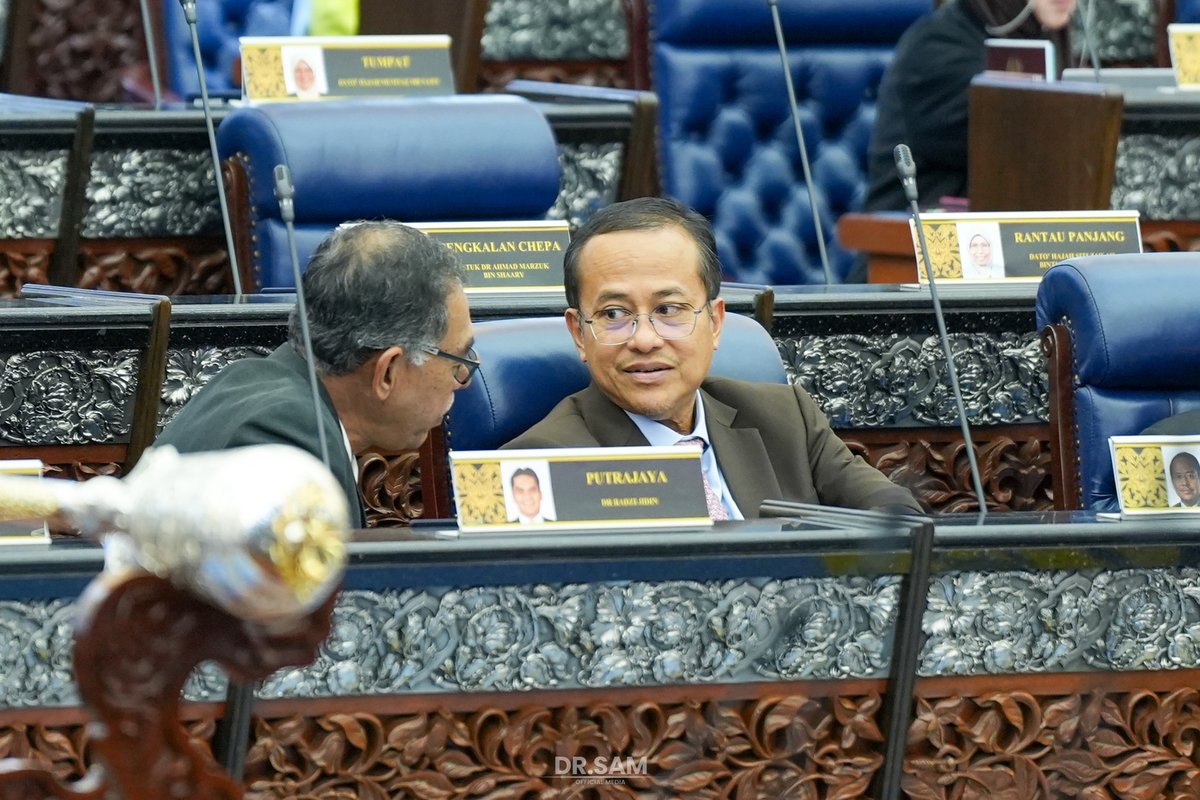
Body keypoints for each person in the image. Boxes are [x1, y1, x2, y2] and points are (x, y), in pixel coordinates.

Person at [502, 197, 922, 518]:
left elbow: (896, 519)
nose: (645, 339)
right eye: (614, 314)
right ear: (579, 332)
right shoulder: (540, 464)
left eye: (669, 310)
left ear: (716, 322)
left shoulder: (786, 418)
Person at [155, 221, 477, 527]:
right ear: (388, 372)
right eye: (456, 362)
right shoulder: (292, 448)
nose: (462, 382)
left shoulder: (250, 381)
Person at [864, 0, 1076, 213]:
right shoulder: (939, 42)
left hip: (1004, 228)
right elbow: (1015, 143)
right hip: (911, 232)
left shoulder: (1049, 36)